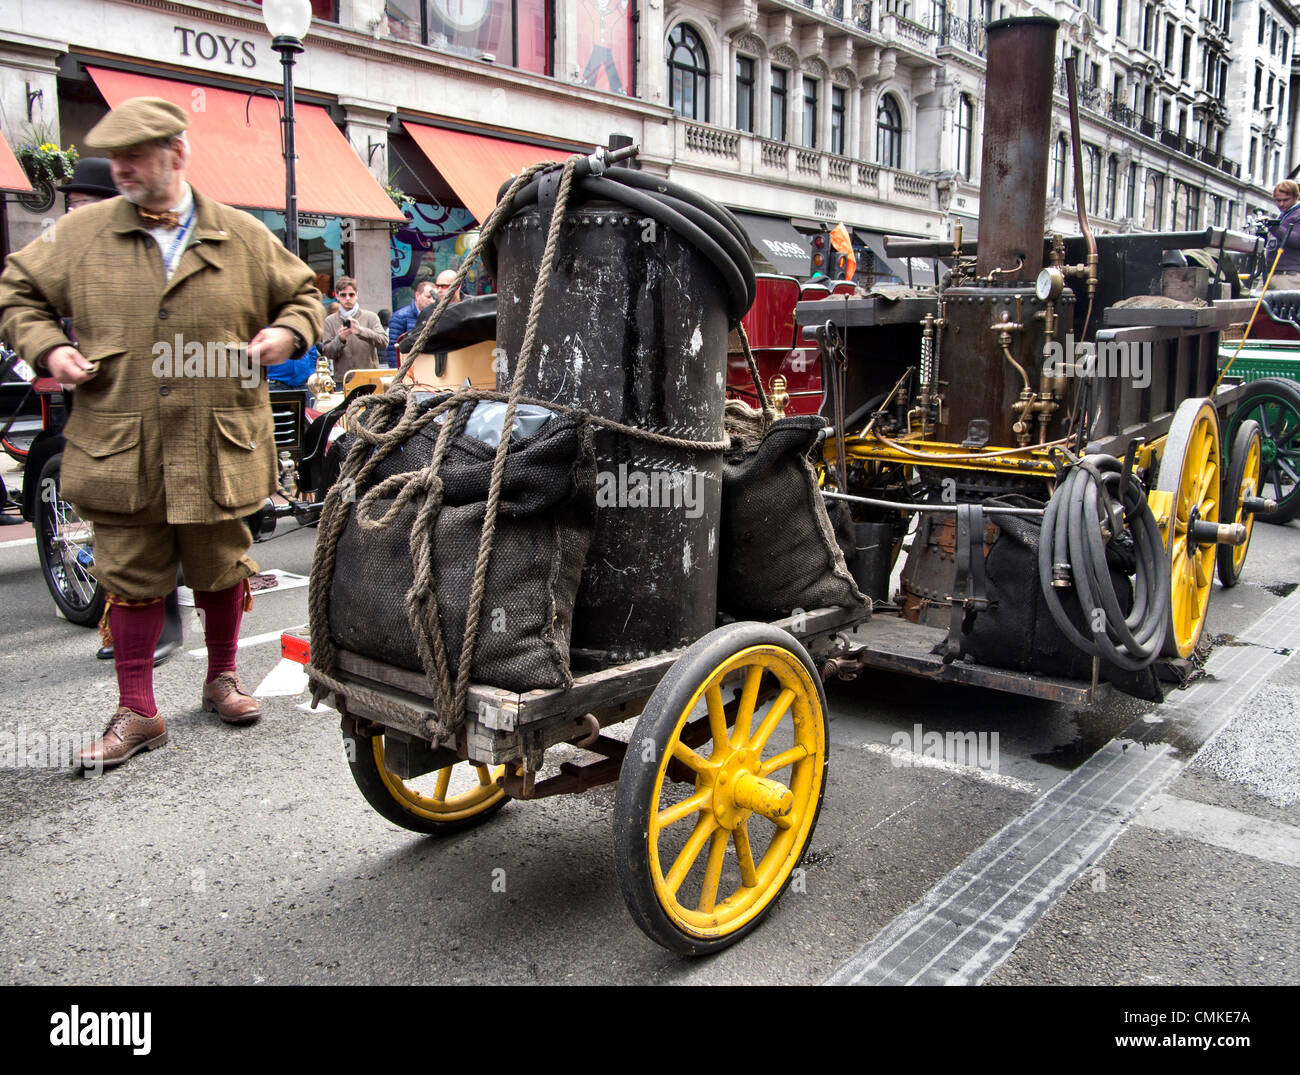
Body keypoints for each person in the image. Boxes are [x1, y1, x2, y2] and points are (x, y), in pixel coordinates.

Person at [0, 96, 323, 770]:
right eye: (114, 158)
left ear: (177, 154)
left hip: (217, 438)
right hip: (123, 440)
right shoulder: (83, 234)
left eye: (134, 157)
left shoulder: (240, 233)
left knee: (222, 566)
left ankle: (223, 679)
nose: (119, 168)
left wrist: (286, 332)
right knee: (130, 574)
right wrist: (48, 350)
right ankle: (138, 711)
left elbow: (304, 295)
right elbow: (17, 292)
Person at [55, 157, 186, 665]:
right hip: (97, 402)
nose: (76, 210)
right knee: (115, 524)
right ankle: (127, 623)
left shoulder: (146, 249)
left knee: (154, 519)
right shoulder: (79, 246)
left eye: (84, 201)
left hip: (151, 398)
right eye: (73, 203)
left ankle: (162, 627)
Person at [320, 276, 386, 385]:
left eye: (351, 294)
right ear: (337, 296)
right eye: (343, 295)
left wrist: (361, 331)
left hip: (370, 379)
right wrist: (340, 339)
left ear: (357, 295)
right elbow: (327, 353)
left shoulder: (371, 317)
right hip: (343, 380)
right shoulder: (330, 321)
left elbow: (383, 343)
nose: (347, 298)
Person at [386, 280, 435, 367]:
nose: (431, 301)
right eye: (428, 297)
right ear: (417, 295)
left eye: (434, 298)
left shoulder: (436, 316)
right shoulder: (400, 316)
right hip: (407, 368)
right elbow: (393, 349)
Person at [1265, 181, 1300, 290]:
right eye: (1277, 200)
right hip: (1273, 273)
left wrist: (1275, 228)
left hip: (1289, 276)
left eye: (1285, 200)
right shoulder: (1284, 215)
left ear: (1296, 197)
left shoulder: (1297, 214)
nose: (1281, 204)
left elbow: (1297, 240)